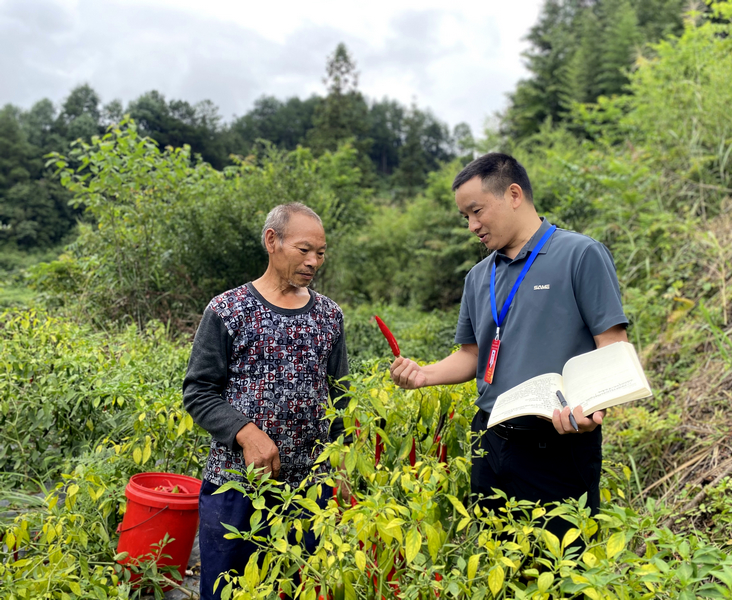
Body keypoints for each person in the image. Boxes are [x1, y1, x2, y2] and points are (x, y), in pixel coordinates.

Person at [390, 153, 629, 539]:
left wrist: (593, 408)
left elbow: (612, 344)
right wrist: (424, 375)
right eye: (465, 217)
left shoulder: (580, 254)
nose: (472, 225)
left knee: (560, 563)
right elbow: (472, 354)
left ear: (514, 194)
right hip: (490, 440)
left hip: (557, 442)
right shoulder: (478, 276)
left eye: (476, 211)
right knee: (494, 556)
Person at [183, 202, 350, 600]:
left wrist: (342, 467)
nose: (313, 262)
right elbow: (198, 391)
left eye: (321, 253)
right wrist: (245, 432)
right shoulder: (228, 310)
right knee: (229, 591)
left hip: (310, 491)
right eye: (304, 250)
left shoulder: (329, 315)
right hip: (236, 489)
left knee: (302, 587)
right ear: (271, 241)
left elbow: (340, 398)